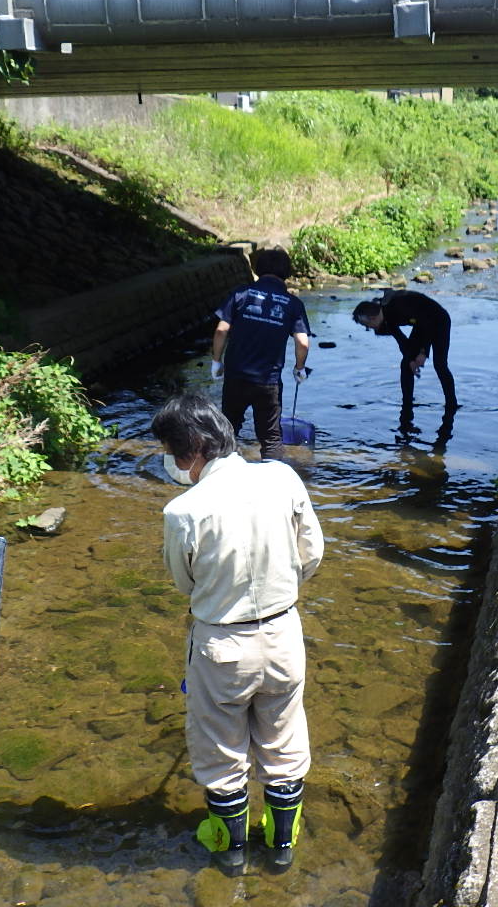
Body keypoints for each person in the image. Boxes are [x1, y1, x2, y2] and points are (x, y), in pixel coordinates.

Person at [152, 393, 324, 876]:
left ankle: (229, 849)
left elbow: (184, 582)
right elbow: (311, 552)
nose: (173, 461)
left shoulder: (182, 511)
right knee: (284, 739)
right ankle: (281, 840)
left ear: (195, 449)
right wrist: (281, 591)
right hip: (283, 632)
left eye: (174, 450)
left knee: (220, 749)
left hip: (221, 644)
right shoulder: (281, 476)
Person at [211, 248, 311, 461]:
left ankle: (217, 475)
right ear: (286, 272)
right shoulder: (293, 304)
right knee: (271, 438)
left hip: (236, 376)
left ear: (258, 269)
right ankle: (275, 486)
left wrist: (216, 362)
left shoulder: (240, 294)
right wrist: (299, 368)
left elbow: (221, 330)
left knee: (227, 430)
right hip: (268, 381)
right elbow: (302, 342)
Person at [351, 290, 457, 413]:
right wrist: (411, 359)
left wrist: (423, 352)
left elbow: (426, 323)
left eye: (366, 325)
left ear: (372, 318)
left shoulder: (398, 307)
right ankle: (407, 403)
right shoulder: (386, 316)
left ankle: (452, 404)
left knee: (440, 364)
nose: (368, 329)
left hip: (438, 319)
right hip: (420, 323)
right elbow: (401, 340)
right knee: (406, 364)